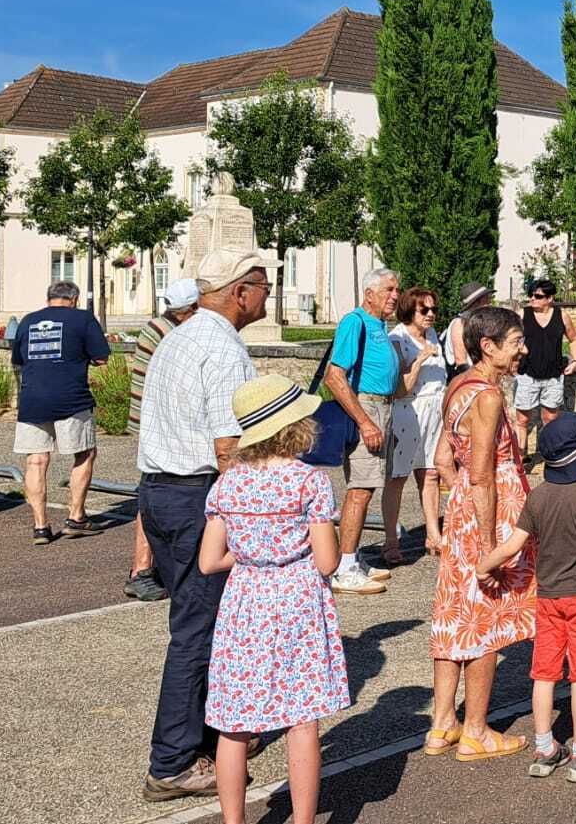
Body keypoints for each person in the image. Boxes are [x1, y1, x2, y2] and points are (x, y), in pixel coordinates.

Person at [135, 247, 270, 801]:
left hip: (159, 491)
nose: (267, 294)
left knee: (201, 620)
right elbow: (228, 447)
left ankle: (214, 733)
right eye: (262, 284)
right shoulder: (222, 347)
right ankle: (171, 762)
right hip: (195, 496)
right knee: (198, 629)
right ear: (240, 291)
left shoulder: (179, 334)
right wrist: (254, 517)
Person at [197, 375, 350, 824]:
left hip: (245, 599)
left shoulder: (228, 484)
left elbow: (209, 560)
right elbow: (326, 561)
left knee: (234, 722)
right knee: (301, 719)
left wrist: (251, 554)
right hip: (298, 598)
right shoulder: (309, 482)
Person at [482, 412, 576, 782]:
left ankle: (545, 748)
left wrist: (485, 565)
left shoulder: (538, 498)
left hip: (548, 598)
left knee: (544, 672)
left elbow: (513, 545)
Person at [427, 305, 538, 763]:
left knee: (455, 612)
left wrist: (456, 513)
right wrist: (490, 545)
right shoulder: (488, 397)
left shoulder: (458, 385)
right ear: (488, 346)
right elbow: (482, 475)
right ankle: (475, 730)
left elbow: (441, 460)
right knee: (485, 621)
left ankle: (441, 724)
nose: (523, 349)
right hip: (488, 516)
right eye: (515, 341)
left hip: (464, 514)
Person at [10, 279, 112, 545]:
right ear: (75, 299)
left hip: (32, 399)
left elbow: (18, 360)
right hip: (71, 398)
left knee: (36, 460)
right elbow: (101, 358)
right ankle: (76, 517)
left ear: (48, 299)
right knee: (85, 453)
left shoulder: (28, 321)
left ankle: (41, 526)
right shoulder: (83, 319)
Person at [124, 278, 203, 601]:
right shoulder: (168, 332)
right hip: (158, 423)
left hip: (150, 421)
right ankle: (141, 569)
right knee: (154, 491)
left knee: (154, 490)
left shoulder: (157, 326)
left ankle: (153, 566)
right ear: (188, 310)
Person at [325, 268, 402, 595]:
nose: (395, 295)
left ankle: (352, 558)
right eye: (389, 289)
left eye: (396, 290)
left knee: (368, 487)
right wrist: (365, 421)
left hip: (380, 408)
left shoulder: (380, 327)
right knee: (360, 488)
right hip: (366, 409)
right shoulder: (354, 322)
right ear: (369, 293)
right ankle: (344, 568)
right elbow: (334, 375)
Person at [387, 287, 448, 565]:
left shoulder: (433, 334)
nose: (431, 315)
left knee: (431, 474)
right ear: (409, 311)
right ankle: (391, 539)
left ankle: (433, 534)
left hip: (435, 409)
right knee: (398, 477)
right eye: (425, 310)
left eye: (434, 309)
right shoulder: (397, 338)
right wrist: (421, 358)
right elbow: (401, 387)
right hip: (409, 409)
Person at [516, 277, 576, 437]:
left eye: (537, 296)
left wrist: (575, 361)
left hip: (553, 376)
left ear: (550, 298)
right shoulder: (522, 314)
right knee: (522, 420)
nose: (532, 298)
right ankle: (521, 458)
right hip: (527, 375)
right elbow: (509, 337)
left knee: (550, 419)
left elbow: (573, 339)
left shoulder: (562, 316)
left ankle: (549, 457)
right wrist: (518, 348)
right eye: (531, 295)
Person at [443, 282, 492, 379]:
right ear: (477, 302)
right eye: (486, 299)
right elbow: (461, 361)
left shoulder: (476, 323)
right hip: (465, 380)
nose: (489, 302)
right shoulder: (459, 324)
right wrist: (475, 382)